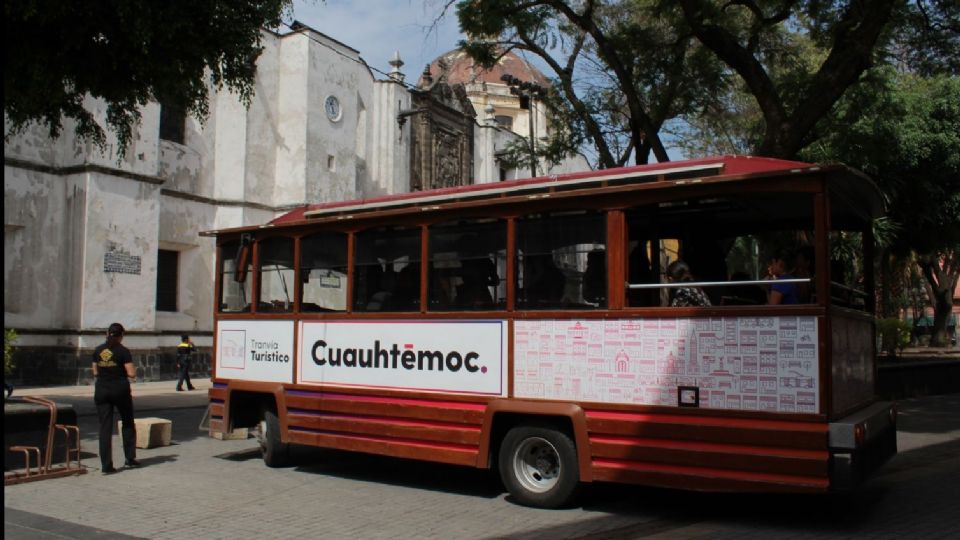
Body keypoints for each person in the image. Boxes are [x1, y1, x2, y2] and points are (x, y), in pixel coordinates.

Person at [92, 323, 139, 474]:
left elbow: (94, 371)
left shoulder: (98, 350)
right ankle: (130, 458)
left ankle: (106, 465)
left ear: (107, 333)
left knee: (104, 427)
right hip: (120, 391)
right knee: (127, 422)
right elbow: (131, 373)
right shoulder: (123, 351)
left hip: (101, 390)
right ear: (121, 335)